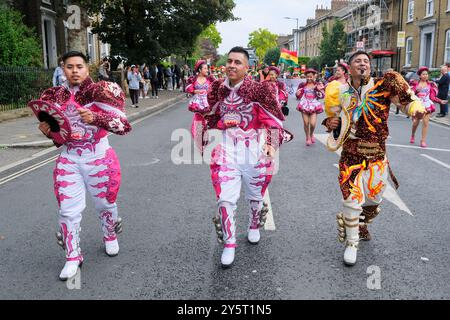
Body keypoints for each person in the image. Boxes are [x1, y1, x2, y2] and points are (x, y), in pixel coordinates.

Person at [189, 47, 293, 268]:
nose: (232, 65)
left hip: (254, 153)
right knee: (225, 199)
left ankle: (254, 224)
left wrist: (270, 146)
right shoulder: (217, 89)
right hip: (228, 152)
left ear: (247, 68)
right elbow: (205, 114)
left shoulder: (259, 91)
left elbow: (274, 122)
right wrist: (207, 133)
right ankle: (229, 243)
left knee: (255, 198)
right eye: (229, 61)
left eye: (238, 62)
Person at [323, 51, 425, 266]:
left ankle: (361, 223)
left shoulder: (384, 86)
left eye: (366, 61)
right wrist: (330, 123)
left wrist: (415, 109)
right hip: (351, 154)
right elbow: (334, 120)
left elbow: (406, 101)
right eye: (357, 61)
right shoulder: (340, 91)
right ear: (349, 68)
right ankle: (352, 243)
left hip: (377, 155)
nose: (363, 64)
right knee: (352, 200)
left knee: (374, 200)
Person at [36, 51, 131, 280]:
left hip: (99, 156)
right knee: (68, 211)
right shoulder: (53, 96)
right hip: (69, 159)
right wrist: (49, 133)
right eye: (70, 67)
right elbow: (59, 139)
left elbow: (124, 126)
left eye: (79, 66)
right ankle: (72, 256)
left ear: (87, 69)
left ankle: (110, 235)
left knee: (105, 205)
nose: (75, 71)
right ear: (63, 69)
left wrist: (95, 118)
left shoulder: (103, 91)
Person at [409, 67, 445, 147]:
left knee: (425, 123)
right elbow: (410, 95)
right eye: (423, 74)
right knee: (415, 123)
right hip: (417, 105)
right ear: (420, 76)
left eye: (426, 74)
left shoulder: (431, 84)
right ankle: (413, 135)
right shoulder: (415, 84)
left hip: (427, 105)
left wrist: (440, 101)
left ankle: (423, 140)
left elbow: (432, 97)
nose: (425, 76)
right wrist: (416, 91)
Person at [296, 68, 325, 146]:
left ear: (314, 76)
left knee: (312, 124)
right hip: (304, 104)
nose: (309, 78)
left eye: (310, 77)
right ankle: (308, 137)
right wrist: (298, 94)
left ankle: (311, 134)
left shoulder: (318, 84)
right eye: (307, 77)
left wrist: (318, 90)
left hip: (314, 104)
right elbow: (298, 95)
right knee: (306, 123)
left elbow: (322, 96)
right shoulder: (302, 84)